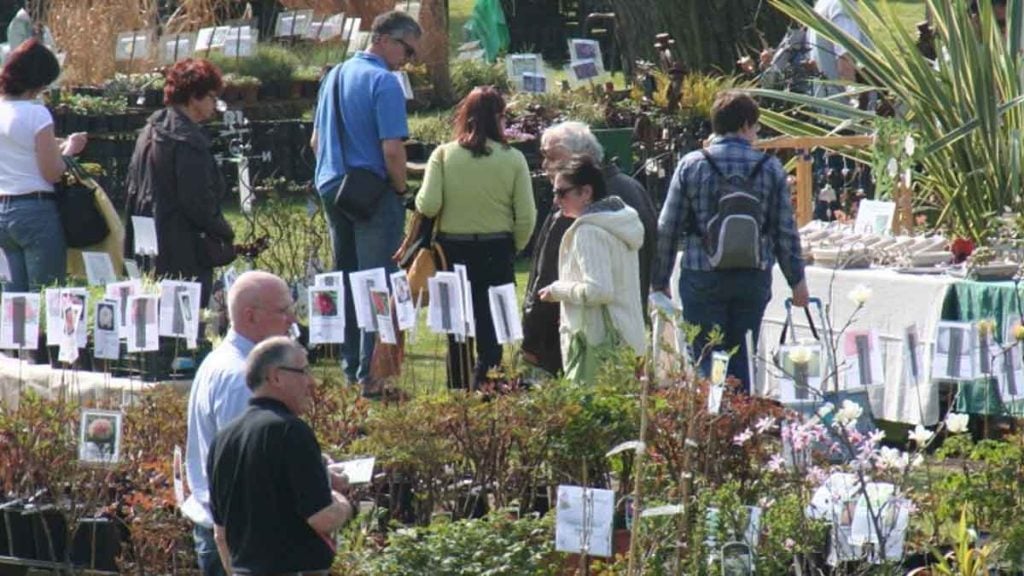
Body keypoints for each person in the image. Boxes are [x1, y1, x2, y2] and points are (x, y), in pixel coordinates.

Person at [652, 91, 808, 391]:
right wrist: (796, 280)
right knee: (742, 357)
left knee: (708, 356)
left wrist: (659, 281)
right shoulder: (770, 167)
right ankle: (741, 425)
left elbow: (668, 227)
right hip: (752, 275)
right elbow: (784, 231)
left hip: (702, 274)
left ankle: (713, 424)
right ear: (746, 124)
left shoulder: (691, 164)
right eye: (756, 127)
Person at [311, 10, 421, 396]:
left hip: (331, 185)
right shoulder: (385, 82)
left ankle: (350, 366)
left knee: (347, 278)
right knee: (377, 284)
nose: (407, 61)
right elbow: (392, 150)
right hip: (371, 192)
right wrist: (400, 190)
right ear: (387, 39)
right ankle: (372, 377)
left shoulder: (334, 76)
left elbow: (315, 143)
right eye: (408, 52)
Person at [415, 86, 536, 388]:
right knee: (492, 329)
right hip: (497, 249)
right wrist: (514, 246)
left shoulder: (443, 155)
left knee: (457, 330)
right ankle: (488, 390)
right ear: (499, 118)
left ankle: (457, 395)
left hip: (451, 252)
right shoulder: (514, 159)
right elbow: (526, 216)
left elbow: (428, 204)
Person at [208, 337, 353, 576]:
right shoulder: (291, 430)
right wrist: (344, 502)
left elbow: (220, 534)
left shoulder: (223, 438)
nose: (311, 381)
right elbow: (322, 517)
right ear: (276, 377)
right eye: (304, 371)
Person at [184, 271, 297, 576]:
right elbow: (246, 469)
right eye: (283, 311)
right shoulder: (241, 379)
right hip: (238, 536)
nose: (292, 320)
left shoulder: (222, 360)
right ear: (251, 316)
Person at [522, 121, 656, 375]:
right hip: (628, 329)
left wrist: (534, 336)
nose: (545, 165)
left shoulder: (583, 220)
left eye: (551, 157)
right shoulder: (625, 202)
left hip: (593, 339)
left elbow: (556, 274)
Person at [125, 58, 234, 307]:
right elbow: (197, 202)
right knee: (186, 326)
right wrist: (224, 232)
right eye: (211, 96)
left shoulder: (150, 130)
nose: (214, 105)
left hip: (146, 240)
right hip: (182, 248)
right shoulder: (186, 140)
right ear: (194, 97)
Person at [538, 157, 645, 383]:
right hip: (628, 339)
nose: (556, 200)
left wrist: (558, 290)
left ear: (586, 192)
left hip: (600, 347)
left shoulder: (589, 232)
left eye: (561, 192)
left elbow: (599, 291)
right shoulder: (620, 222)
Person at [0, 39, 86, 292]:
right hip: (35, 209)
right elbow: (51, 171)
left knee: (12, 300)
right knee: (46, 294)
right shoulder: (37, 114)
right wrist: (69, 150)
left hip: (3, 207)